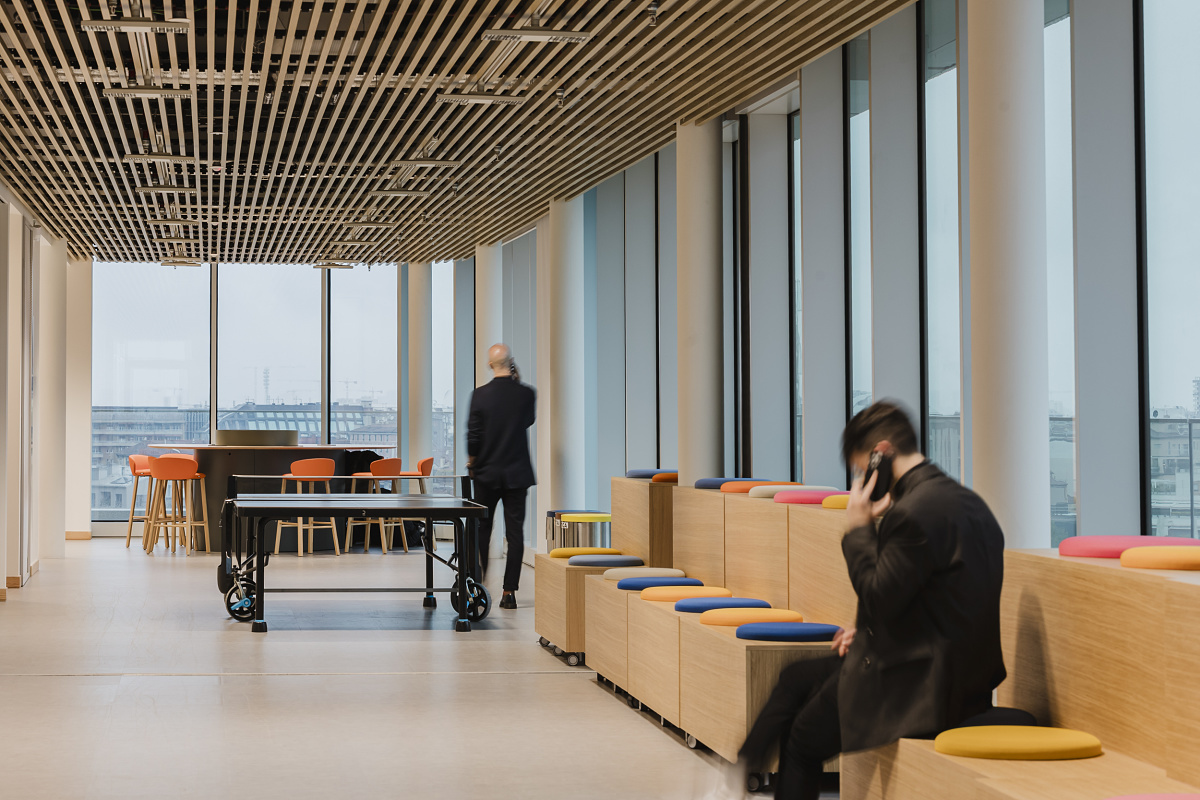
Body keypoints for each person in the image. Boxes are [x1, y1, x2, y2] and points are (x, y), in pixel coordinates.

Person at [706, 400, 1006, 800]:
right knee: (795, 679)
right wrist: (865, 631)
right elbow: (934, 600)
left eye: (863, 468)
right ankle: (739, 770)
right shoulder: (967, 504)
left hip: (918, 686)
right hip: (951, 673)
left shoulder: (913, 514)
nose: (861, 480)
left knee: (800, 743)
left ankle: (735, 776)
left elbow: (880, 597)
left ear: (881, 453)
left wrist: (860, 529)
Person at [466, 343, 537, 609]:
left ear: (490, 365)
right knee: (515, 532)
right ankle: (509, 592)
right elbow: (527, 421)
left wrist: (473, 460)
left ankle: (476, 586)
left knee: (481, 530)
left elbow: (473, 435)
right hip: (517, 473)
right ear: (512, 362)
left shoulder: (480, 395)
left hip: (486, 473)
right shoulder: (527, 394)